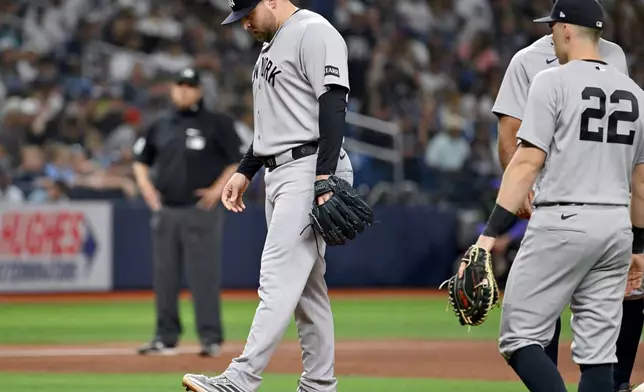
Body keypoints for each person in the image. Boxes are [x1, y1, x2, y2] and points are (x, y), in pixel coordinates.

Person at [470, 0, 644, 390]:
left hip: (563, 219)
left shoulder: (550, 80)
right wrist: (640, 245)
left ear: (567, 30)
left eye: (553, 27)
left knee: (518, 337)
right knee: (599, 354)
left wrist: (489, 234)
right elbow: (642, 182)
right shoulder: (635, 93)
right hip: (615, 227)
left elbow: (527, 160)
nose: (550, 33)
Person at [182, 0, 353, 391]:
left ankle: (240, 380)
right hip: (280, 171)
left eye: (247, 14)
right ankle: (320, 384)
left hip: (309, 167)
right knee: (308, 289)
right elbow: (272, 125)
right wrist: (246, 170)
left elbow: (333, 103)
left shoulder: (314, 30)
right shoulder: (268, 46)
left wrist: (324, 177)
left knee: (277, 278)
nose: (244, 24)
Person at [132, 68, 243, 357]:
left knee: (203, 276)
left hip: (199, 211)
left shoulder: (217, 123)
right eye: (179, 85)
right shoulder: (159, 124)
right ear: (172, 89)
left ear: (199, 91)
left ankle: (210, 338)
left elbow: (236, 161)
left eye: (189, 86)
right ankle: (164, 336)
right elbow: (140, 161)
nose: (183, 90)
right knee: (164, 277)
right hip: (166, 209)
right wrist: (147, 189)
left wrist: (217, 190)